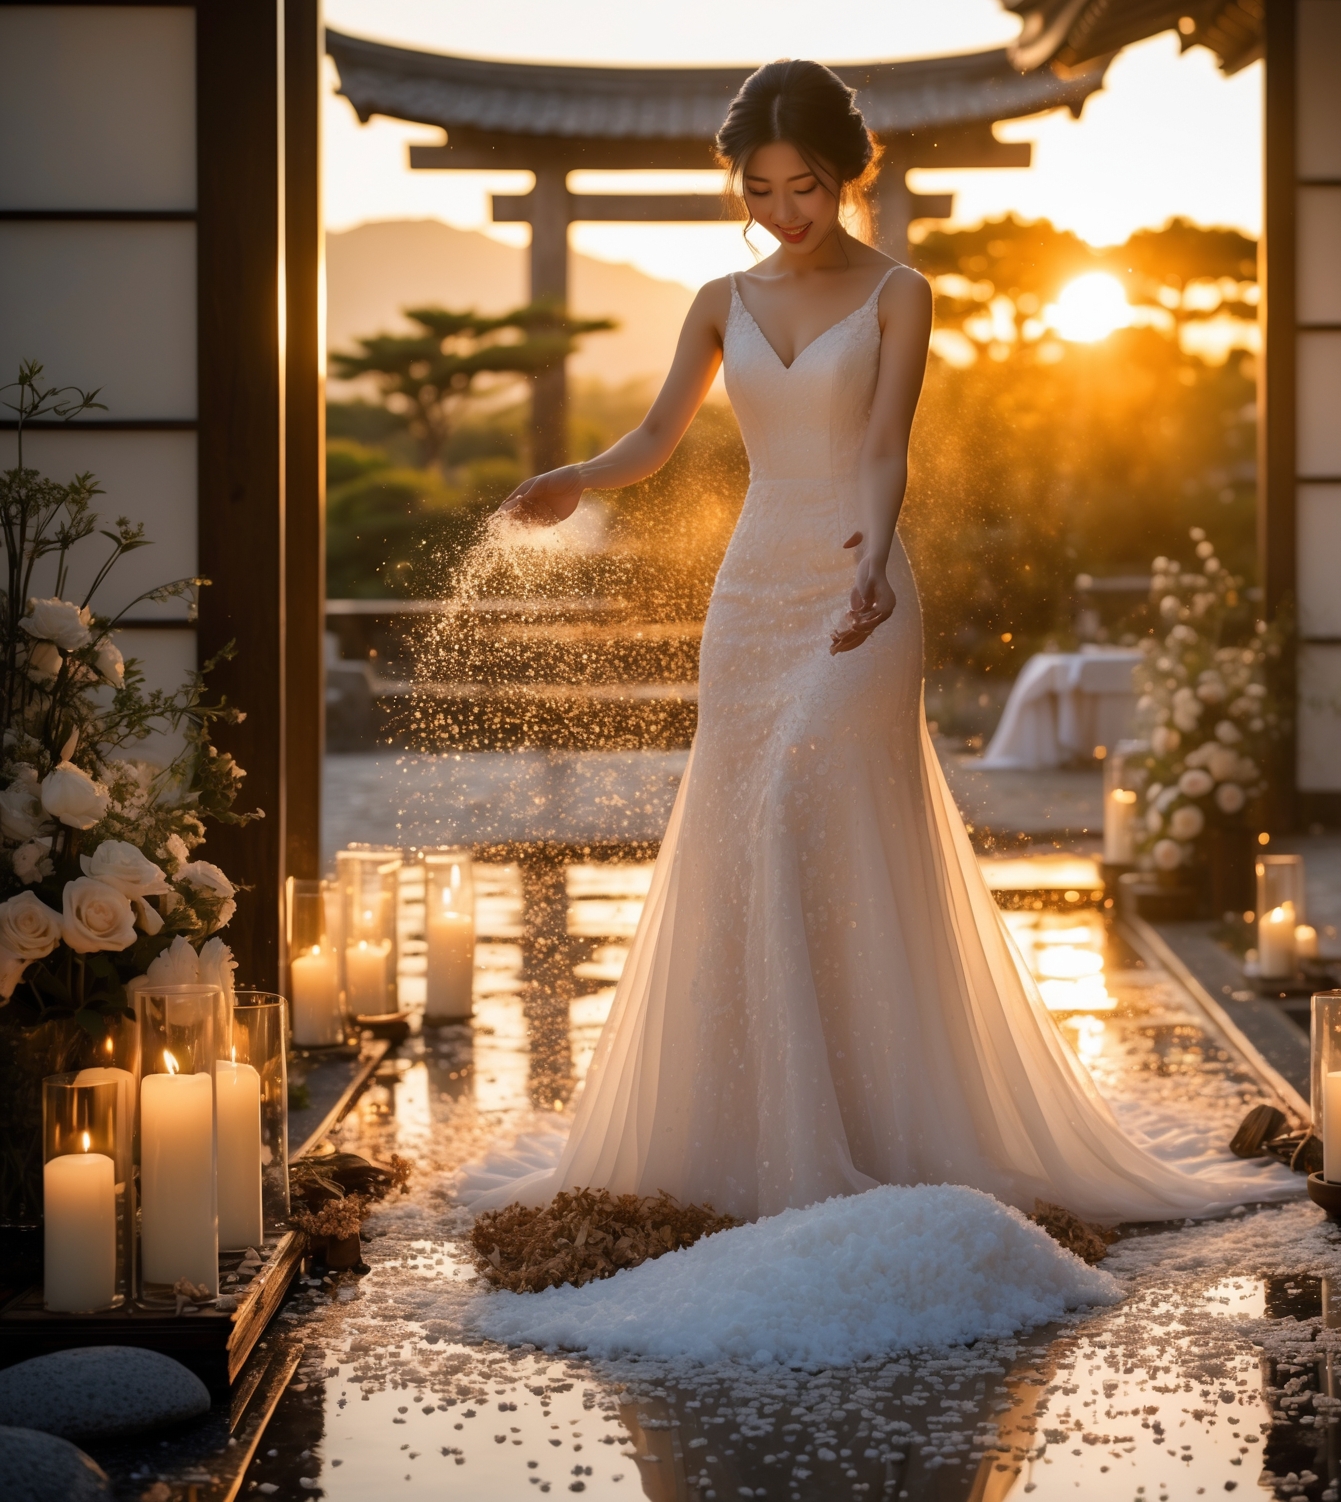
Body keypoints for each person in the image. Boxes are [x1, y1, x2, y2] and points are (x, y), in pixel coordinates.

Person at [489, 59, 1294, 1224]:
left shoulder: (897, 292)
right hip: (753, 592)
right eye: (758, 189)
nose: (783, 212)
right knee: (742, 820)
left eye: (804, 185)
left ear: (850, 172)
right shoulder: (721, 297)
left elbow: (881, 447)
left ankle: (875, 1129)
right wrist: (574, 478)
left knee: (809, 809)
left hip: (859, 585)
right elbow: (659, 434)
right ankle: (758, 1133)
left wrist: (871, 556)